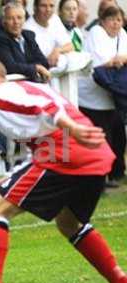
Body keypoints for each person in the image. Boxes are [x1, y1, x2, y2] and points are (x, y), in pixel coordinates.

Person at [0, 54, 127, 283]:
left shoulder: (0, 96)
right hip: (93, 155)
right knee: (69, 223)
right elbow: (40, 143)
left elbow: (44, 109)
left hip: (66, 153)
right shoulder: (26, 86)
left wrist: (71, 129)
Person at [78, 5, 127, 187]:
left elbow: (119, 61)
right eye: (111, 19)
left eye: (119, 19)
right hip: (92, 98)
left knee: (118, 138)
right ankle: (100, 179)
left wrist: (121, 59)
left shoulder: (123, 35)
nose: (116, 23)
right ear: (103, 21)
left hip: (113, 97)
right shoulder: (96, 33)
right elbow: (104, 64)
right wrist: (119, 60)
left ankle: (116, 173)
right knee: (101, 139)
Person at [0, 1, 50, 82]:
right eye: (10, 18)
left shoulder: (29, 36)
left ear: (24, 19)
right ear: (4, 21)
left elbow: (44, 62)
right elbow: (10, 67)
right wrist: (36, 68)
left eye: (19, 18)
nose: (16, 22)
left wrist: (28, 68)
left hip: (32, 84)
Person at [24, 0, 73, 67]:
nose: (48, 9)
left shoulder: (55, 19)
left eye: (51, 6)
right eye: (43, 6)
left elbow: (70, 46)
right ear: (35, 8)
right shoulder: (27, 28)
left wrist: (58, 50)